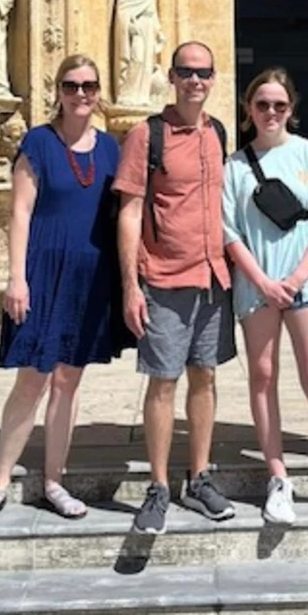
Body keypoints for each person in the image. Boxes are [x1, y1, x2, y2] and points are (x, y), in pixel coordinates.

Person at [0, 54, 124, 526]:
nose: (81, 94)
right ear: (58, 90)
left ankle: (54, 479)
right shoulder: (37, 142)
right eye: (72, 85)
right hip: (42, 270)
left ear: (99, 93)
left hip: (90, 276)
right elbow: (19, 213)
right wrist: (16, 277)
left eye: (90, 86)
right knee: (32, 376)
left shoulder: (111, 148)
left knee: (69, 380)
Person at [222, 69, 308, 526]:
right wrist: (263, 281)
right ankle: (277, 477)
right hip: (256, 281)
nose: (270, 112)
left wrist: (298, 276)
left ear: (291, 110)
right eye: (262, 104)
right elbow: (229, 233)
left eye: (279, 105)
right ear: (248, 110)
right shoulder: (235, 166)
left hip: (306, 280)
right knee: (262, 376)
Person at [114, 41, 236, 535]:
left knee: (204, 377)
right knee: (163, 382)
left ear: (213, 78)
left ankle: (200, 476)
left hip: (213, 278)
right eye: (186, 72)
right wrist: (130, 286)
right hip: (163, 277)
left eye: (203, 72)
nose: (195, 81)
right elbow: (129, 210)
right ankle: (158, 486)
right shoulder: (148, 135)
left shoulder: (217, 133)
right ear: (171, 76)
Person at [112, 0, 166, 107]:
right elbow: (122, 13)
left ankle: (142, 95)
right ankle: (127, 93)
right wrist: (128, 26)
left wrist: (159, 32)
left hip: (148, 29)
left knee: (147, 63)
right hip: (135, 30)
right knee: (136, 59)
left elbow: (153, 14)